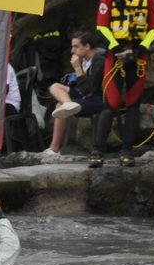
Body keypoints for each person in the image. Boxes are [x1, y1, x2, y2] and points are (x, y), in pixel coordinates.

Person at [95, 0, 154, 162]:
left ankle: (127, 151)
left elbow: (153, 28)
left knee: (133, 104)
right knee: (111, 103)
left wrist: (140, 49)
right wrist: (116, 48)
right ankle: (97, 151)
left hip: (138, 56)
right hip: (115, 55)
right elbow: (101, 27)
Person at [43, 30, 112, 166]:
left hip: (98, 99)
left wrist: (77, 68)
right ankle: (68, 103)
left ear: (87, 46)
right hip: (83, 94)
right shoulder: (84, 60)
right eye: (72, 46)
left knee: (59, 107)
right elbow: (81, 88)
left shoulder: (100, 61)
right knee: (55, 86)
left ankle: (54, 149)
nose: (72, 50)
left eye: (76, 46)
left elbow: (88, 91)